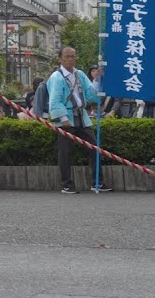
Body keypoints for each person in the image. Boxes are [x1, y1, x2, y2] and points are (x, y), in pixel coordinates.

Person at [47, 46, 111, 194]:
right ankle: (66, 184)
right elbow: (54, 100)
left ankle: (98, 182)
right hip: (66, 118)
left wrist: (96, 80)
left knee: (94, 148)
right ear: (60, 58)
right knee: (65, 152)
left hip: (81, 116)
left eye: (73, 56)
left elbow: (90, 94)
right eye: (67, 56)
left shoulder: (80, 74)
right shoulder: (56, 77)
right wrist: (63, 118)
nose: (71, 59)